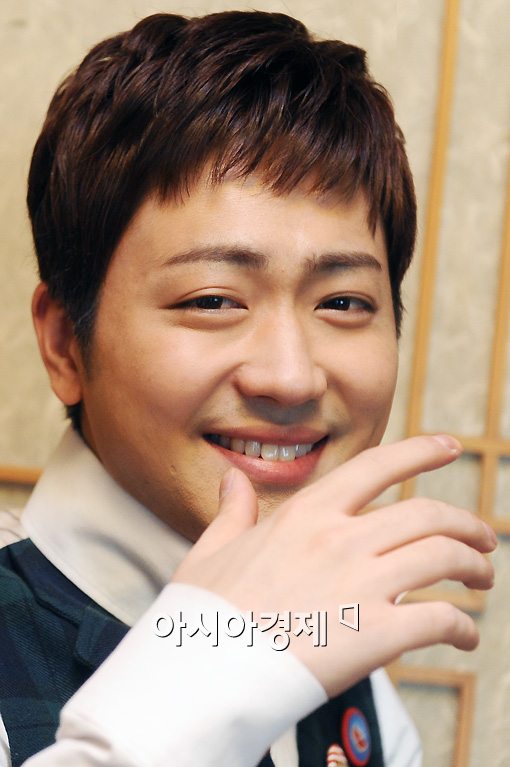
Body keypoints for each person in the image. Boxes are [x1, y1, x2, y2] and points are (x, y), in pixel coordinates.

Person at [0, 10, 495, 767]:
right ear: (66, 342)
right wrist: (223, 666)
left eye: (343, 302)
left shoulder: (348, 661)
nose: (291, 377)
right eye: (212, 300)